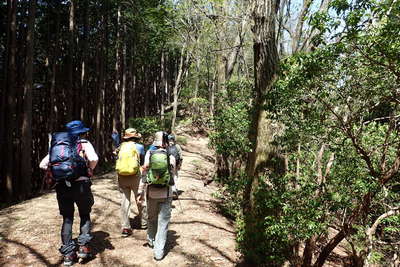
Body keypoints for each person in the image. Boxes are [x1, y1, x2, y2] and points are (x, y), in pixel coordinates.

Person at [39, 120, 98, 266]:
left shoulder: (58, 144)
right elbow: (94, 158)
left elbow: (43, 164)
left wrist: (58, 173)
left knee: (67, 218)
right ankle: (83, 248)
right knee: (84, 214)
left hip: (62, 186)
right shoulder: (84, 143)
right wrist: (89, 169)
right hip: (81, 185)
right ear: (82, 132)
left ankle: (68, 255)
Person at [137, 131, 176, 261]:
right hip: (166, 193)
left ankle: (151, 239)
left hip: (151, 192)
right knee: (163, 222)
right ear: (165, 142)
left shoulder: (149, 153)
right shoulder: (170, 155)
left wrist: (140, 191)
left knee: (152, 217)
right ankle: (158, 252)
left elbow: (144, 173)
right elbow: (173, 172)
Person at [116, 128, 147, 237]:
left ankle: (125, 227)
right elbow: (143, 162)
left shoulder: (120, 147)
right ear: (135, 137)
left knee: (125, 201)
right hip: (136, 176)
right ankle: (144, 222)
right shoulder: (139, 147)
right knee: (139, 198)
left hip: (122, 176)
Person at [167, 134, 183, 198]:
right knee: (175, 177)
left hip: (167, 165)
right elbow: (181, 157)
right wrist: (179, 165)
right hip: (175, 164)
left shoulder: (166, 146)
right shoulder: (177, 146)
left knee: (168, 176)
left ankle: (168, 191)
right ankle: (174, 190)